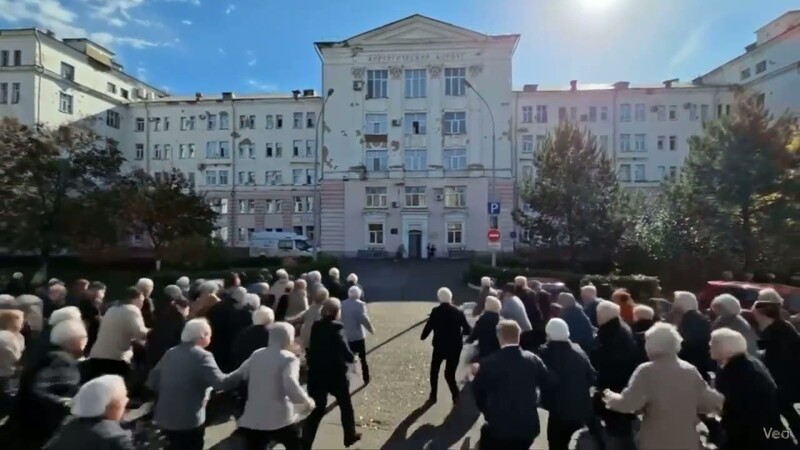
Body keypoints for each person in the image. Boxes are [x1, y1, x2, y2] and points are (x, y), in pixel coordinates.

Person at [603, 322, 723, 450]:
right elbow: (709, 402)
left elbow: (629, 403)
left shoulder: (646, 371)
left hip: (657, 440)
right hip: (687, 439)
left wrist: (610, 398)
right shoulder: (690, 370)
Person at [220, 323, 314, 450]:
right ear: (288, 338)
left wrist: (217, 381)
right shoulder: (289, 358)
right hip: (281, 417)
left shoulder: (257, 354)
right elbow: (290, 382)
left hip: (256, 416)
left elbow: (237, 375)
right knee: (296, 444)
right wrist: (305, 402)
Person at [147, 318, 229, 450]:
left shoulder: (171, 352)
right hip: (189, 419)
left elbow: (153, 381)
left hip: (166, 415)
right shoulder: (203, 356)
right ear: (202, 336)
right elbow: (221, 383)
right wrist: (242, 373)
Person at [9, 319, 88, 447]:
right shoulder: (63, 362)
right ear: (78, 341)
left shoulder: (46, 354)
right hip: (40, 434)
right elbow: (43, 391)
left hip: (24, 428)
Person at [472, 320, 549, 450]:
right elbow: (546, 381)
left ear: (499, 337)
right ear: (518, 336)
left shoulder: (488, 363)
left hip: (499, 427)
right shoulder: (533, 359)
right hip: (528, 427)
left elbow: (478, 392)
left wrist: (487, 412)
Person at [710, 328, 792, 450]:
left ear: (723, 348)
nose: (709, 347)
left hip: (751, 434)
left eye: (712, 344)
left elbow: (731, 406)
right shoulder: (752, 362)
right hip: (768, 429)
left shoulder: (734, 372)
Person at [303, 299, 361, 449]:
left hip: (316, 373)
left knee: (317, 408)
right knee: (345, 406)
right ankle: (349, 436)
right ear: (336, 312)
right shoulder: (337, 327)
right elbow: (343, 347)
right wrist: (352, 358)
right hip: (335, 374)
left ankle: (305, 443)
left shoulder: (316, 326)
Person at [539, 318, 596, 450]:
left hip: (559, 410)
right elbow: (592, 376)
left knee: (556, 444)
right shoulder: (578, 350)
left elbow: (546, 380)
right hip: (580, 408)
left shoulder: (547, 353)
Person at [590, 300, 639, 450]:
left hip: (613, 383)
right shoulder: (622, 328)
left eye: (598, 314)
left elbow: (607, 359)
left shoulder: (610, 333)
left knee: (616, 425)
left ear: (604, 315)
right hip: (622, 382)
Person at [752, 299, 800, 442]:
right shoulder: (780, 327)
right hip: (786, 379)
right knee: (785, 411)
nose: (753, 315)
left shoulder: (777, 331)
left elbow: (779, 359)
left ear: (762, 314)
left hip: (784, 380)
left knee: (780, 410)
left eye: (755, 312)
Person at [43, 375, 134, 449]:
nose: (126, 401)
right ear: (110, 405)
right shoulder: (115, 437)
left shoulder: (70, 424)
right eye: (124, 398)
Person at [420, 287, 471, 404]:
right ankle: (455, 395)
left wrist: (423, 336)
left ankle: (433, 395)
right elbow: (467, 329)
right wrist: (461, 336)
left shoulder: (435, 311)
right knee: (449, 374)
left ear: (439, 298)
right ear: (450, 298)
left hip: (439, 347)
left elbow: (429, 326)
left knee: (434, 371)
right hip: (455, 347)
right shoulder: (458, 312)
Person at [87, 287, 149, 381]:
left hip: (96, 356)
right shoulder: (132, 309)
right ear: (134, 299)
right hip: (115, 359)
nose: (142, 304)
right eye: (141, 301)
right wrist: (154, 332)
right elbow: (140, 333)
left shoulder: (112, 309)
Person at [673, 291, 715, 381]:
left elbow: (688, 346)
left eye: (675, 302)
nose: (673, 305)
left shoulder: (692, 322)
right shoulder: (699, 320)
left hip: (694, 371)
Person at [341, 285, 375, 384]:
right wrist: (371, 329)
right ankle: (366, 377)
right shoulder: (360, 304)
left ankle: (345, 379)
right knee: (363, 358)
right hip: (358, 335)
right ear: (358, 294)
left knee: (346, 359)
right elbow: (363, 319)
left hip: (347, 335)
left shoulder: (343, 304)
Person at [466, 295, 502, 360]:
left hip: (484, 353)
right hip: (497, 353)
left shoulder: (482, 320)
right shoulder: (501, 320)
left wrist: (466, 341)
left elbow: (473, 337)